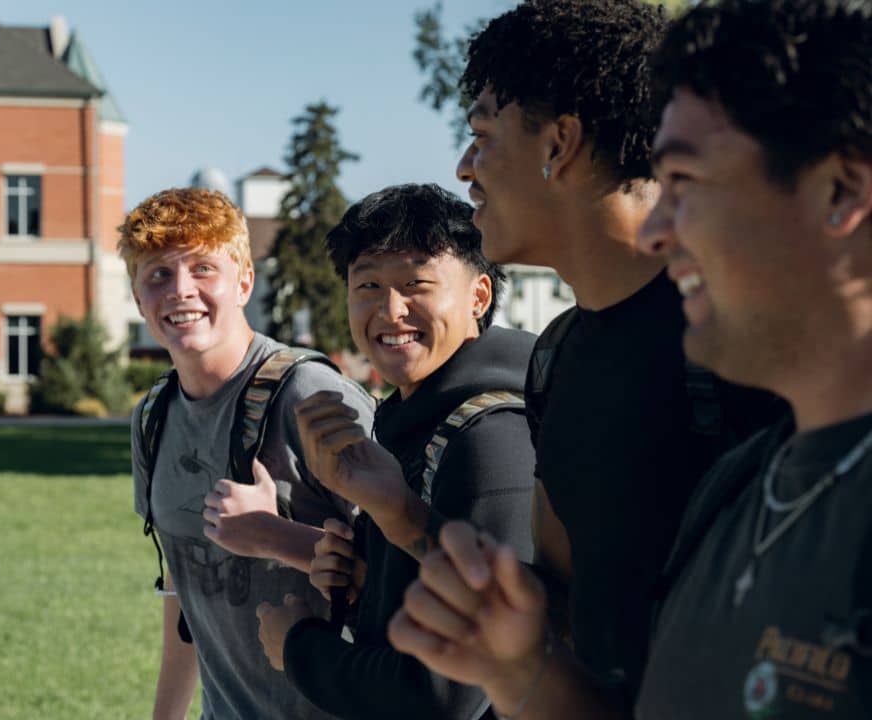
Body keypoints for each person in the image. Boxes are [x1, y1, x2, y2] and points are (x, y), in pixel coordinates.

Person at [389, 0, 872, 717]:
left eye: (687, 182)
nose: (658, 232)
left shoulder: (750, 393)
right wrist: (524, 672)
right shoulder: (750, 482)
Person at [447, 0, 782, 696]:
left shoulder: (752, 340)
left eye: (483, 136)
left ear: (558, 143)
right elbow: (564, 602)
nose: (463, 167)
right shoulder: (555, 353)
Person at [253, 184, 537, 719]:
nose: (390, 309)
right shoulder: (412, 419)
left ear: (478, 295)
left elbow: (448, 694)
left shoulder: (491, 438)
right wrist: (369, 581)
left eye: (416, 283)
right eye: (368, 285)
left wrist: (298, 647)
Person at [117, 187, 375, 720]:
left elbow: (403, 572)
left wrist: (274, 537)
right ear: (139, 298)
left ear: (244, 282)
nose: (180, 291)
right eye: (158, 275)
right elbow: (183, 592)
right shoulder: (153, 417)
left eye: (203, 269)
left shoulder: (310, 395)